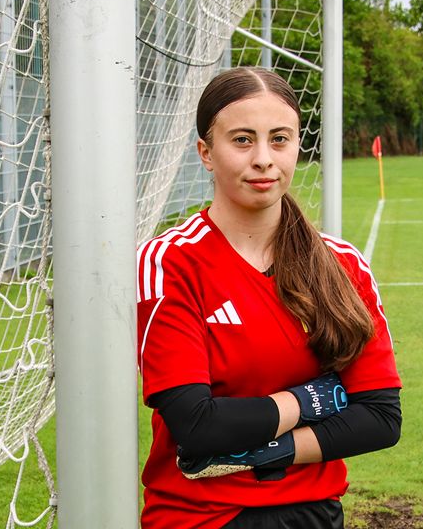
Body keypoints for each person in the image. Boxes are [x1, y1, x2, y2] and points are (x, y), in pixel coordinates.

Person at [136, 67, 402, 529]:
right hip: (201, 518)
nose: (263, 158)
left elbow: (380, 418)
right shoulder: (169, 262)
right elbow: (198, 428)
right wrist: (315, 400)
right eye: (242, 140)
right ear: (206, 152)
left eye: (279, 139)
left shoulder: (342, 264)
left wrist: (264, 450)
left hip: (316, 514)